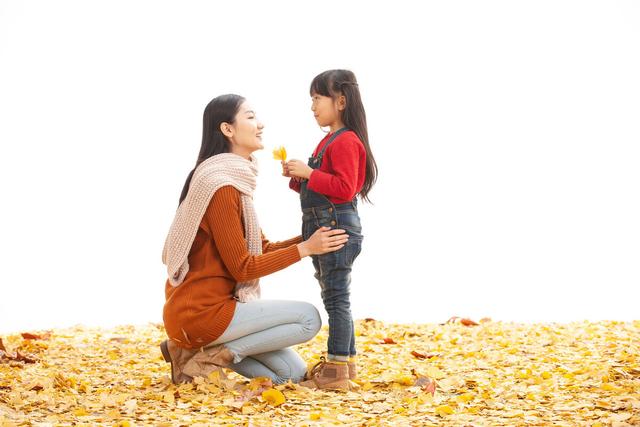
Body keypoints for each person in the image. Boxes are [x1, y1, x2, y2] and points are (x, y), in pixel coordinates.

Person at [161, 94, 349, 385]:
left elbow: (262, 249)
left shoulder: (233, 181)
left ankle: (191, 351)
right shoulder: (220, 186)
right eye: (250, 117)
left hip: (210, 312)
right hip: (201, 313)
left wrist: (312, 238)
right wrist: (305, 249)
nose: (260, 124)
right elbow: (243, 268)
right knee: (308, 318)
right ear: (228, 129)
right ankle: (210, 356)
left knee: (291, 375)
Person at [283, 69, 378, 390]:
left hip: (335, 225)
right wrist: (299, 177)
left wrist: (310, 172)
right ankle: (345, 364)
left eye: (317, 98)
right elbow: (324, 189)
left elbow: (345, 188)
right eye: (311, 99)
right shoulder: (329, 139)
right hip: (327, 222)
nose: (312, 106)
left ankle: (337, 369)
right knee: (336, 295)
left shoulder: (347, 140)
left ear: (340, 101)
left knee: (337, 298)